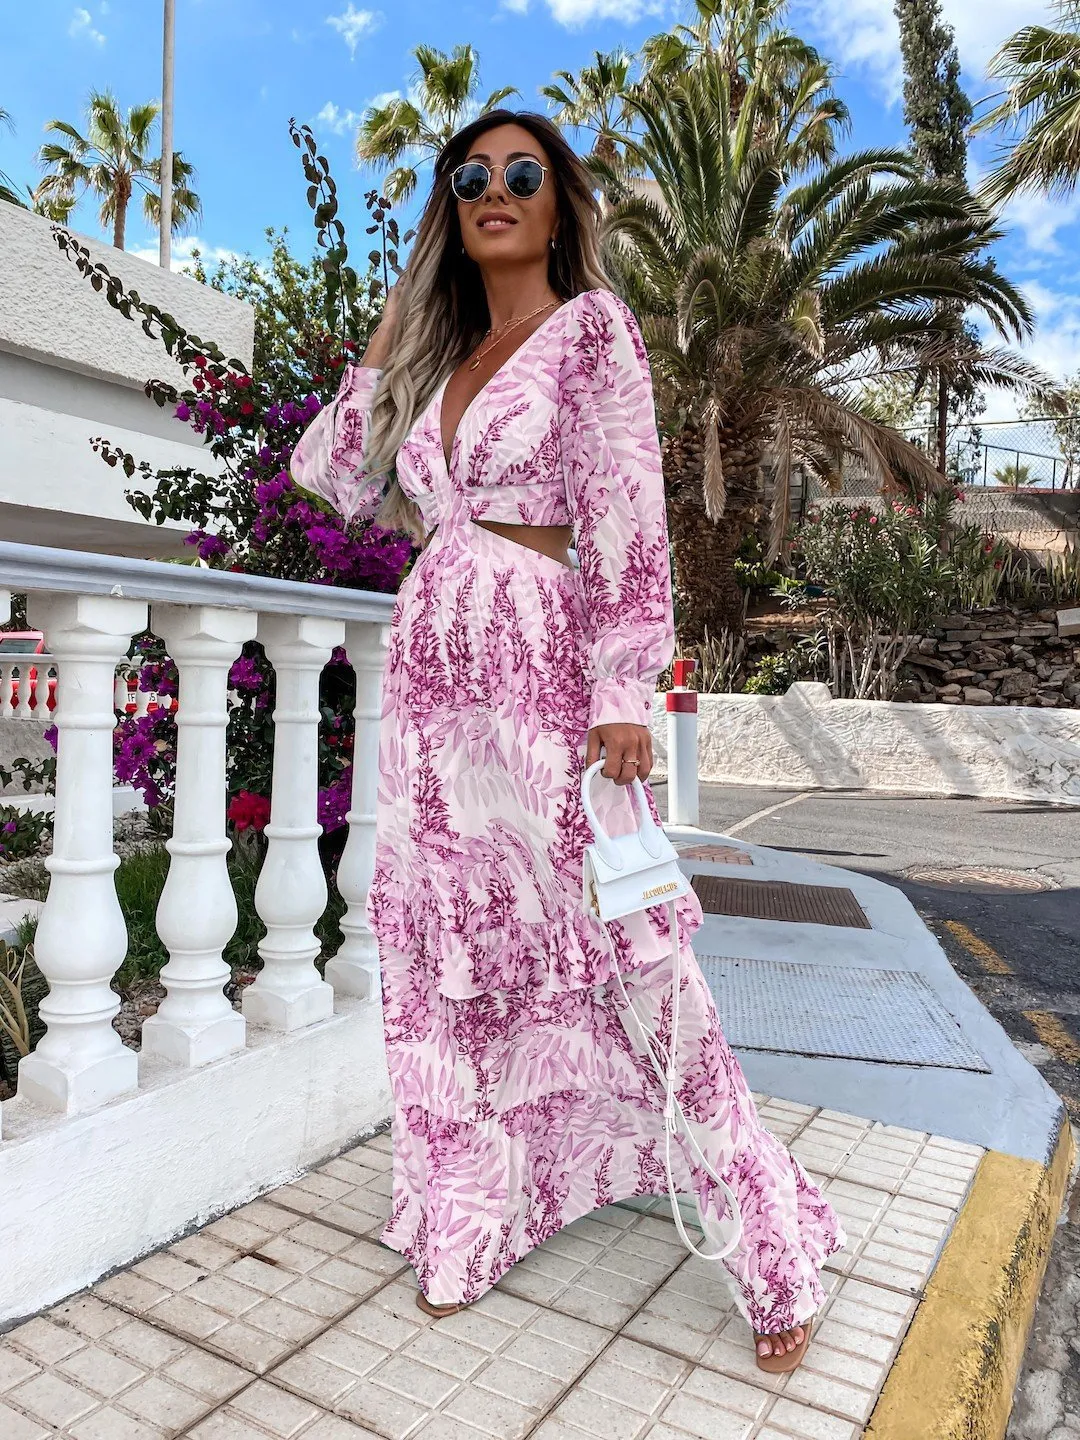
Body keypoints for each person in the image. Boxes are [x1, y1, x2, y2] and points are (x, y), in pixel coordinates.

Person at [290, 108, 845, 1370]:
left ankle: (768, 1238)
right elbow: (338, 478)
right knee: (451, 952)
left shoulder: (591, 331)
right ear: (452, 207)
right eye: (470, 176)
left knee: (630, 943)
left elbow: (627, 514)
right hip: (436, 694)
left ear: (558, 205)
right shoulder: (442, 358)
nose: (495, 189)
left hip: (543, 671)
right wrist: (389, 333)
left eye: (522, 173)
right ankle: (469, 1213)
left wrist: (622, 694)